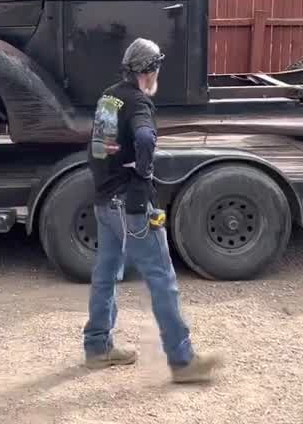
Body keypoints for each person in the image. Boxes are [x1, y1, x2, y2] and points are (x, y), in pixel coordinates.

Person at [82, 38, 221, 383]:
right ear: (149, 71)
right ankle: (183, 360)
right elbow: (144, 139)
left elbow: (99, 147)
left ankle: (98, 347)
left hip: (104, 201)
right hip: (131, 206)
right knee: (162, 279)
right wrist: (142, 175)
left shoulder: (108, 96)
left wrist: (111, 177)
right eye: (157, 68)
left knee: (106, 273)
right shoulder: (139, 103)